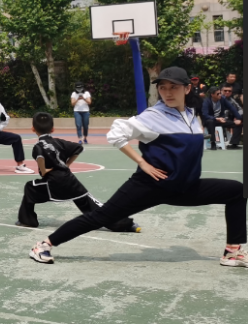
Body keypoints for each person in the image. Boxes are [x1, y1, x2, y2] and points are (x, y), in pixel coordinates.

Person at [28, 67, 247, 268]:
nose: (168, 92)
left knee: (236, 191)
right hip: (150, 185)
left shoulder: (189, 114)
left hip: (184, 187)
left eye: (174, 87)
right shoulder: (153, 116)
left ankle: (232, 252)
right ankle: (44, 244)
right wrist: (142, 162)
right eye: (163, 88)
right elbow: (116, 134)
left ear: (187, 88)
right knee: (102, 216)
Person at [17, 112, 138, 232]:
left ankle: (27, 220)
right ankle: (124, 224)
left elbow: (40, 157)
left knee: (30, 187)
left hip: (53, 182)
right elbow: (78, 148)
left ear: (33, 129)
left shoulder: (38, 145)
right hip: (70, 180)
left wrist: (43, 171)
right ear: (53, 129)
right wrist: (68, 164)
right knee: (91, 204)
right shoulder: (59, 142)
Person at [201, 86, 242, 150]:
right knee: (210, 122)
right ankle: (213, 143)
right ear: (212, 94)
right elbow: (205, 115)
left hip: (221, 120)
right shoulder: (206, 101)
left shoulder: (223, 99)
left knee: (238, 124)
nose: (220, 95)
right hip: (210, 120)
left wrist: (239, 119)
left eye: (220, 93)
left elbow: (232, 108)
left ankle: (234, 144)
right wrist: (216, 119)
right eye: (218, 94)